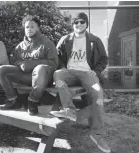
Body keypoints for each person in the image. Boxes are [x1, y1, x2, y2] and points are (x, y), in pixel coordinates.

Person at [50, 12, 111, 153]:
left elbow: (103, 59)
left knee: (98, 93)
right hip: (70, 72)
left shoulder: (95, 40)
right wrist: (62, 66)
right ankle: (69, 110)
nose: (78, 24)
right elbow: (56, 56)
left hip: (88, 74)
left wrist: (95, 71)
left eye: (82, 22)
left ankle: (96, 133)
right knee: (58, 74)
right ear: (72, 24)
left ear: (86, 24)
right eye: (75, 22)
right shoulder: (65, 39)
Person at [0, 15, 58, 115]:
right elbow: (14, 61)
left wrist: (33, 64)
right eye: (27, 27)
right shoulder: (20, 46)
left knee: (39, 68)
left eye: (32, 26)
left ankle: (32, 101)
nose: (29, 29)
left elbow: (54, 63)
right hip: (26, 76)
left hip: (43, 77)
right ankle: (13, 101)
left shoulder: (47, 43)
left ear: (38, 28)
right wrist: (21, 64)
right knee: (1, 70)